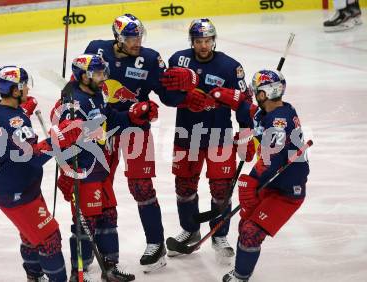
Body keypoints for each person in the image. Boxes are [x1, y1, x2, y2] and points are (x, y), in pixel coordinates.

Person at [50, 54, 158, 281]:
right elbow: (62, 138)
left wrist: (134, 115)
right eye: (97, 74)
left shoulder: (98, 95)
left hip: (101, 168)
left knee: (108, 216)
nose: (102, 78)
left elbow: (112, 120)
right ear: (83, 76)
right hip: (84, 170)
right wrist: (68, 171)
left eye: (102, 73)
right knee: (85, 221)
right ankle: (79, 271)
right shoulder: (72, 102)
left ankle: (109, 267)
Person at [160, 18, 253, 265]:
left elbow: (244, 103)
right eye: (199, 41)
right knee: (184, 187)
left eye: (208, 41)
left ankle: (219, 235)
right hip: (187, 134)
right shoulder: (178, 60)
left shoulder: (231, 67)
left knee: (221, 188)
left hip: (219, 135)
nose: (203, 46)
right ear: (192, 42)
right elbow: (166, 96)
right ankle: (190, 230)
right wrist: (184, 98)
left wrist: (246, 134)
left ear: (214, 40)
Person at [0, 65, 83, 281]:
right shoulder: (15, 123)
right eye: (24, 86)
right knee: (49, 239)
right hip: (15, 190)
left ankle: (34, 276)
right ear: (16, 90)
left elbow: (9, 128)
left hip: (10, 184)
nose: (28, 89)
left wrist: (22, 111)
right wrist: (61, 138)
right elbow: (33, 158)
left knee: (31, 235)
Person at [82, 14, 168, 272]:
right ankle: (91, 247)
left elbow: (169, 95)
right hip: (102, 128)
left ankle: (156, 243)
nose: (137, 41)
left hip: (136, 127)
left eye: (139, 36)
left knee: (142, 187)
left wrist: (183, 86)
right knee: (97, 188)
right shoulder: (95, 48)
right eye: (131, 37)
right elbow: (81, 81)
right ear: (118, 38)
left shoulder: (151, 59)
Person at [208, 70, 310, 281]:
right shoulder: (276, 110)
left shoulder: (279, 123)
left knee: (250, 231)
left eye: (256, 92)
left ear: (263, 94)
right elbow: (253, 112)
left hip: (287, 191)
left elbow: (271, 158)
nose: (254, 94)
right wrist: (232, 99)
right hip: (271, 184)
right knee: (245, 223)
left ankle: (241, 277)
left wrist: (252, 179)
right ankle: (240, 272)